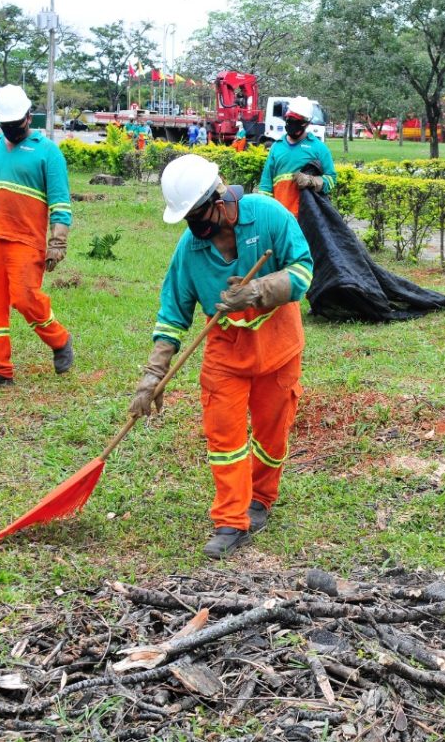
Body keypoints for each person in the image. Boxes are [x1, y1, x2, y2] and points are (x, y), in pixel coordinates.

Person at [129, 154, 313, 559]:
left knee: (271, 433)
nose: (200, 229)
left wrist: (259, 291)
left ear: (222, 195)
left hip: (278, 344)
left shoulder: (268, 216)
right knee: (224, 437)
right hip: (225, 352)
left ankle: (261, 498)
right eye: (190, 220)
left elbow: (303, 271)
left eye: (202, 216)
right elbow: (173, 313)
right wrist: (153, 375)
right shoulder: (190, 249)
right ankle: (232, 519)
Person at [0, 84, 74, 391]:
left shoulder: (47, 152)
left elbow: (61, 203)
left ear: (28, 116)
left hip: (27, 241)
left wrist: (58, 243)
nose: (12, 129)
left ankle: (60, 339)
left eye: (16, 123)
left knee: (25, 299)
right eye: (6, 125)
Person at [258, 96, 336, 216]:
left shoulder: (319, 148)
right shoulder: (276, 147)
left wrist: (313, 181)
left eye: (296, 120)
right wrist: (264, 210)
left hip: (306, 218)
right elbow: (266, 183)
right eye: (289, 119)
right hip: (280, 215)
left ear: (306, 123)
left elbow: (331, 179)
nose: (291, 123)